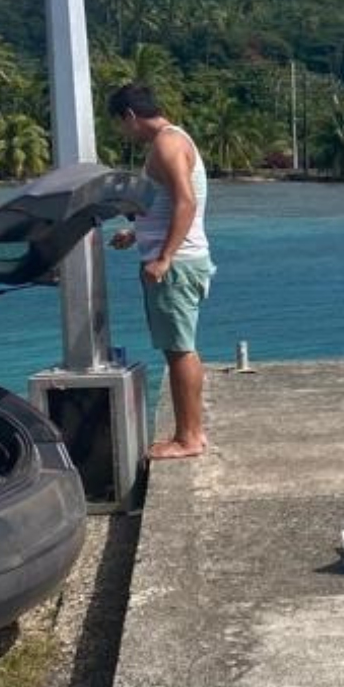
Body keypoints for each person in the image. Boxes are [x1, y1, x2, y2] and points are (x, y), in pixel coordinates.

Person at [106, 83, 214, 459]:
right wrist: (136, 233)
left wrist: (164, 256)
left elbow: (187, 201)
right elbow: (169, 207)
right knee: (178, 348)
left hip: (178, 264)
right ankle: (190, 433)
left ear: (130, 116)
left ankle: (189, 438)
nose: (124, 133)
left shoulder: (166, 144)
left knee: (180, 349)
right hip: (181, 259)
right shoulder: (172, 140)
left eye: (121, 125)